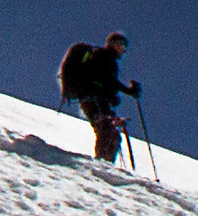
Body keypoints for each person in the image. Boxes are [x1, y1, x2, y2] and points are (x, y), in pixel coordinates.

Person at [58, 32, 139, 162]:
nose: (123, 50)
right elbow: (106, 78)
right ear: (113, 44)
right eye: (121, 45)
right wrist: (128, 91)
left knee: (111, 132)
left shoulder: (108, 60)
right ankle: (102, 163)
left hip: (96, 101)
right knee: (106, 128)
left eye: (124, 47)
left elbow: (106, 82)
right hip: (92, 99)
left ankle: (105, 163)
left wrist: (114, 97)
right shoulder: (102, 55)